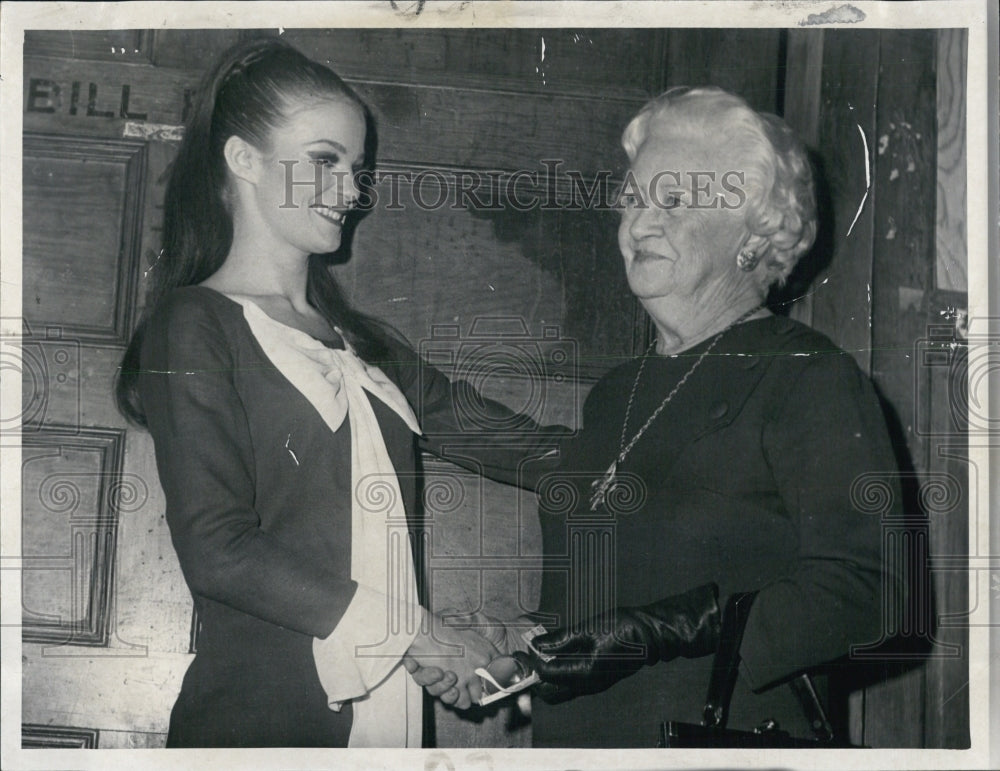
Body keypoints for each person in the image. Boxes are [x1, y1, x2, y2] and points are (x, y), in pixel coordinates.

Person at [114, 37, 563, 748]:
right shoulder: (194, 323)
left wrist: (660, 457)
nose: (351, 192)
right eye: (325, 160)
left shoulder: (364, 342)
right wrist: (417, 629)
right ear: (242, 159)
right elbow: (218, 546)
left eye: (356, 168)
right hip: (260, 724)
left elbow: (520, 445)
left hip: (386, 718)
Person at [437, 86, 905, 747]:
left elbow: (876, 593)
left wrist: (667, 628)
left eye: (674, 201)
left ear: (750, 231)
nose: (636, 224)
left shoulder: (806, 374)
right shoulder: (615, 393)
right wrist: (516, 642)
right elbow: (598, 609)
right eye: (631, 201)